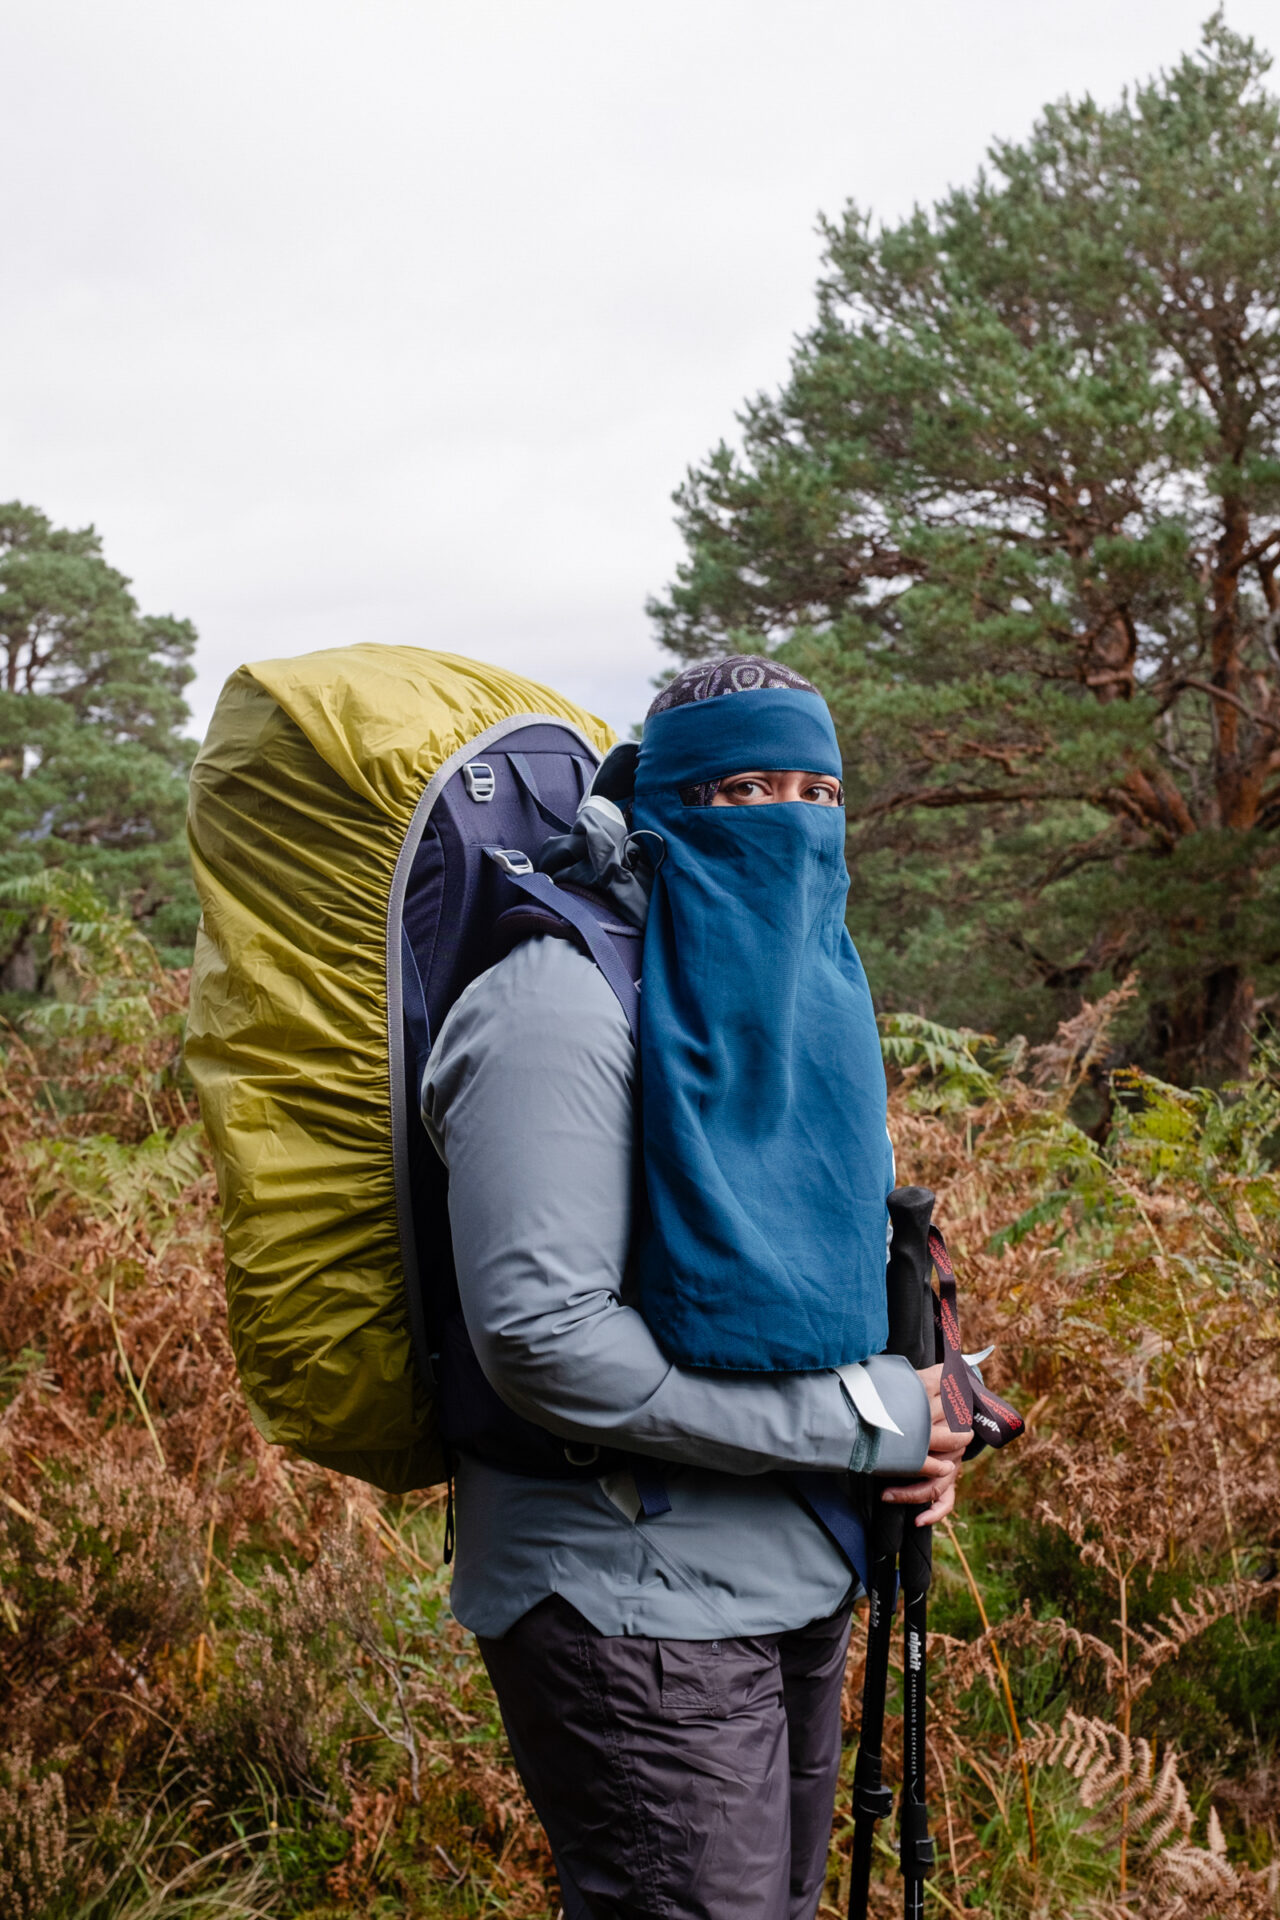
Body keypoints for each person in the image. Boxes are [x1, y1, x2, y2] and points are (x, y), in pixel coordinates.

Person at [422, 656, 972, 1920]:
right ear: (664, 801)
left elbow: (828, 1264)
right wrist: (863, 1421)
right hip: (623, 1586)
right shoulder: (557, 1004)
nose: (787, 823)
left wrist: (923, 1422)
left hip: (797, 1558)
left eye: (814, 790)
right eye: (743, 789)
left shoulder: (796, 994)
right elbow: (544, 1339)